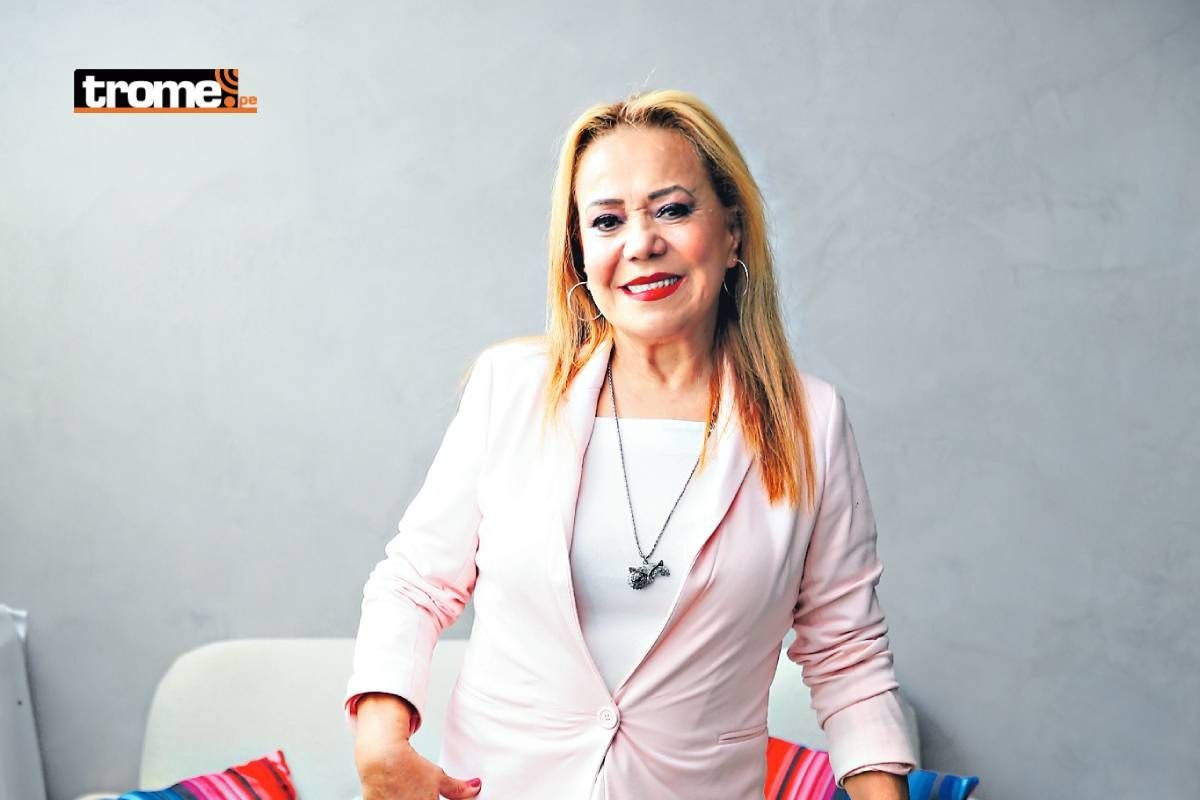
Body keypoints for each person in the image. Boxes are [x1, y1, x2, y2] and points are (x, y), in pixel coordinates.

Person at [345, 89, 917, 799]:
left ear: (733, 233)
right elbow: (415, 583)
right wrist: (380, 745)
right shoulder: (510, 388)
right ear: (580, 254)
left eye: (672, 209)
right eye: (607, 220)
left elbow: (848, 655)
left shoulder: (810, 420)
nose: (640, 243)